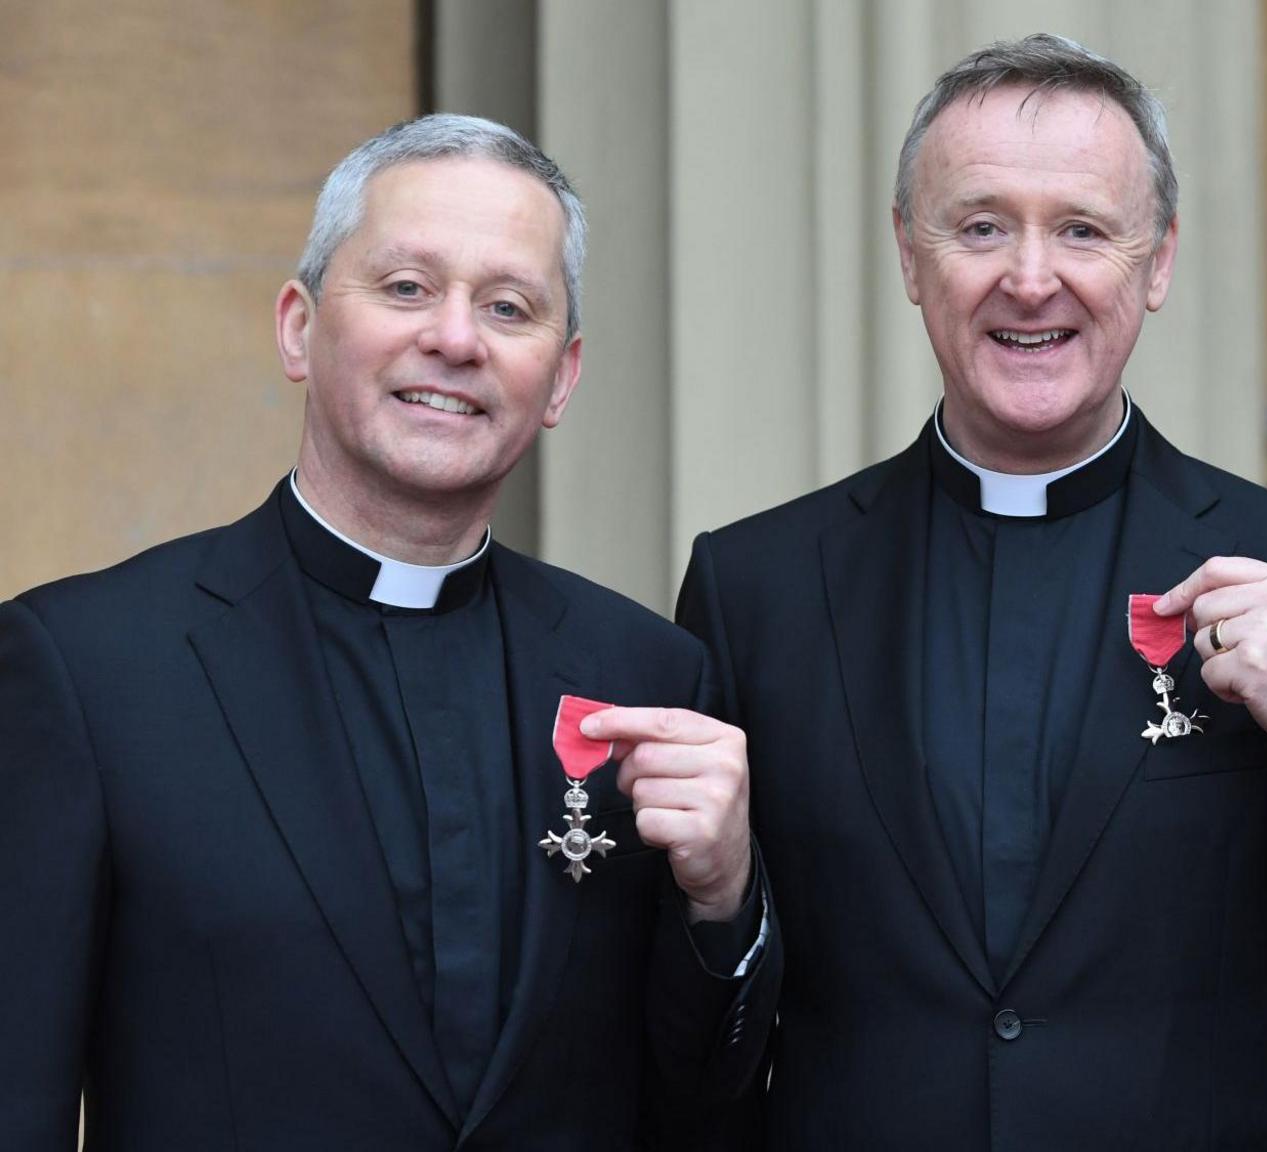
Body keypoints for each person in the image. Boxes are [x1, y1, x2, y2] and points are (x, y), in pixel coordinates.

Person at [674, 32, 1267, 1150]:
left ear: (1158, 260)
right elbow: (693, 1064)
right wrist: (715, 910)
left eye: (1084, 229)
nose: (1030, 278)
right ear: (908, 254)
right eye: (979, 227)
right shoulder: (756, 590)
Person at [0, 114, 778, 1150]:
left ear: (561, 378)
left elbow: (698, 1115)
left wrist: (725, 901)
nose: (455, 339)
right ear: (297, 326)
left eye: (508, 307)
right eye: (406, 288)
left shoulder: (645, 673)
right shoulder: (86, 670)